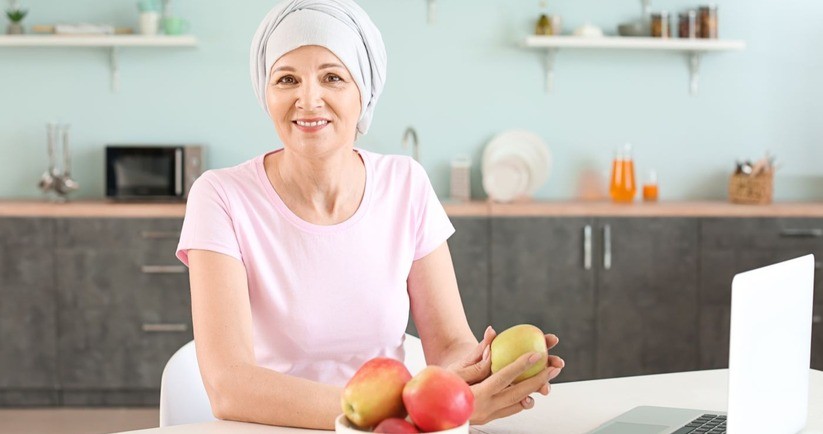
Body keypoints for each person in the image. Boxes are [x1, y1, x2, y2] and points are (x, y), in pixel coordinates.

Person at [175, 0, 564, 430]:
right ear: (265, 94)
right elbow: (230, 385)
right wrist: (403, 411)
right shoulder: (221, 196)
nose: (308, 99)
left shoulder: (406, 185)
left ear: (365, 92)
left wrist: (485, 371)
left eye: (332, 77)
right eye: (287, 79)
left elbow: (451, 345)